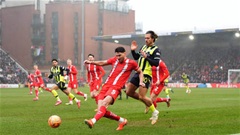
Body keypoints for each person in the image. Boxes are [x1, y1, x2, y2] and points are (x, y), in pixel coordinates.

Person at [84, 47, 144, 131]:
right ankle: (122, 120)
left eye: (119, 55)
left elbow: (140, 72)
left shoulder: (131, 63)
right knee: (101, 111)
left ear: (124, 53)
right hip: (106, 86)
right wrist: (91, 62)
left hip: (116, 87)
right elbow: (102, 62)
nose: (118, 57)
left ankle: (92, 121)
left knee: (104, 104)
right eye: (116, 55)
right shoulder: (114, 60)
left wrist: (141, 82)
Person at [126, 30, 161, 125]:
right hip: (138, 72)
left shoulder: (156, 50)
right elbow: (137, 57)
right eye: (145, 38)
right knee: (129, 92)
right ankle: (147, 101)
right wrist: (133, 50)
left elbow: (156, 63)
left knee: (142, 96)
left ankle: (154, 112)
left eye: (148, 38)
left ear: (152, 39)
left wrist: (147, 58)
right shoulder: (144, 47)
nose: (146, 40)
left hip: (146, 74)